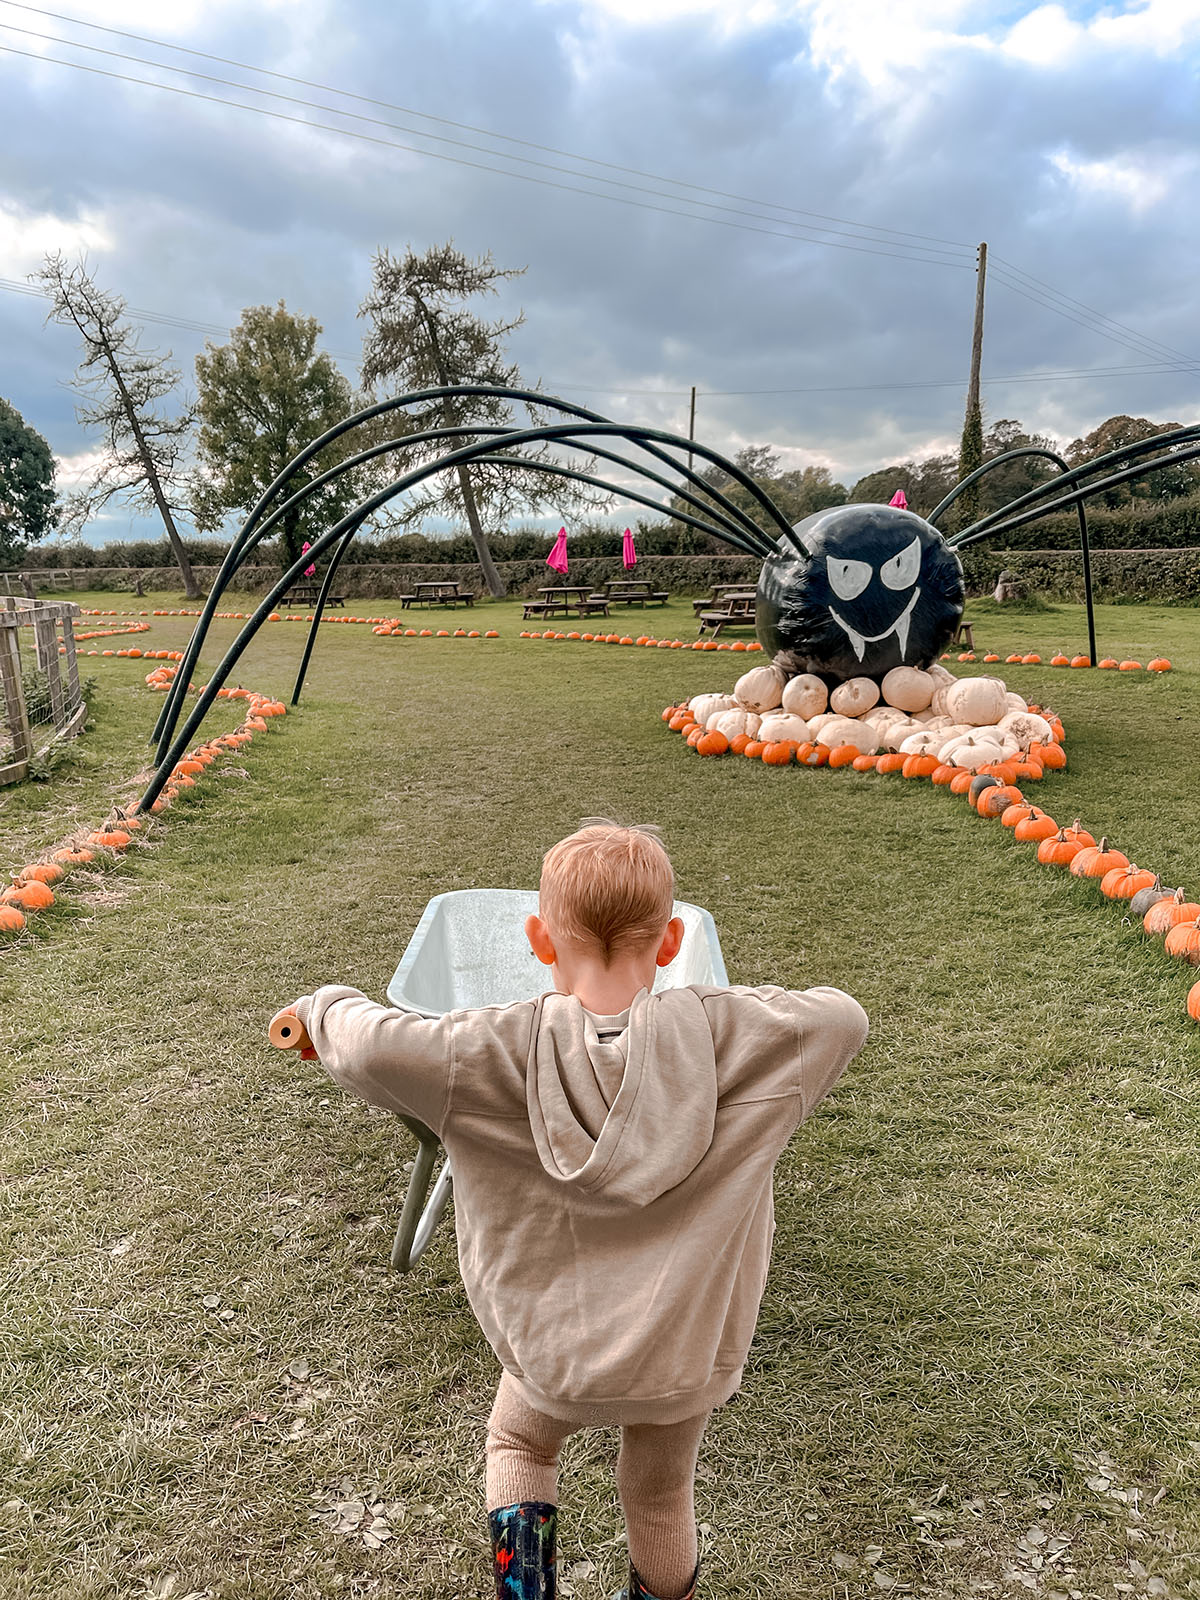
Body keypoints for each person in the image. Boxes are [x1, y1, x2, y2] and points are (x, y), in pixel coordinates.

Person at [281, 821, 868, 1600]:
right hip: (682, 1355)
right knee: (661, 1493)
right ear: (670, 941)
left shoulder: (482, 1050)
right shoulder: (742, 1040)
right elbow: (842, 1016)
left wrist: (322, 1007)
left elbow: (371, 1046)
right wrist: (712, 1009)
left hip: (552, 1355)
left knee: (520, 1444)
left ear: (538, 939)